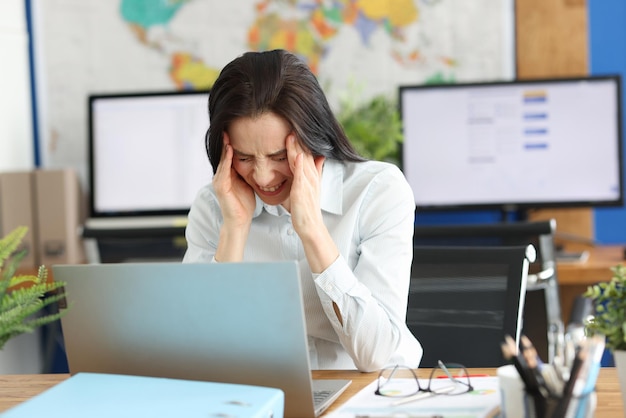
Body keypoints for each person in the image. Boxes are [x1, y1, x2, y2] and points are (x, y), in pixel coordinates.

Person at [183, 49, 422, 372]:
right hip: (268, 394)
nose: (263, 177)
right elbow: (197, 355)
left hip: (369, 393)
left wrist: (312, 230)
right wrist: (235, 229)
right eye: (245, 157)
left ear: (312, 138)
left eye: (280, 156)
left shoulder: (377, 191)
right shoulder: (214, 207)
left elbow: (376, 355)